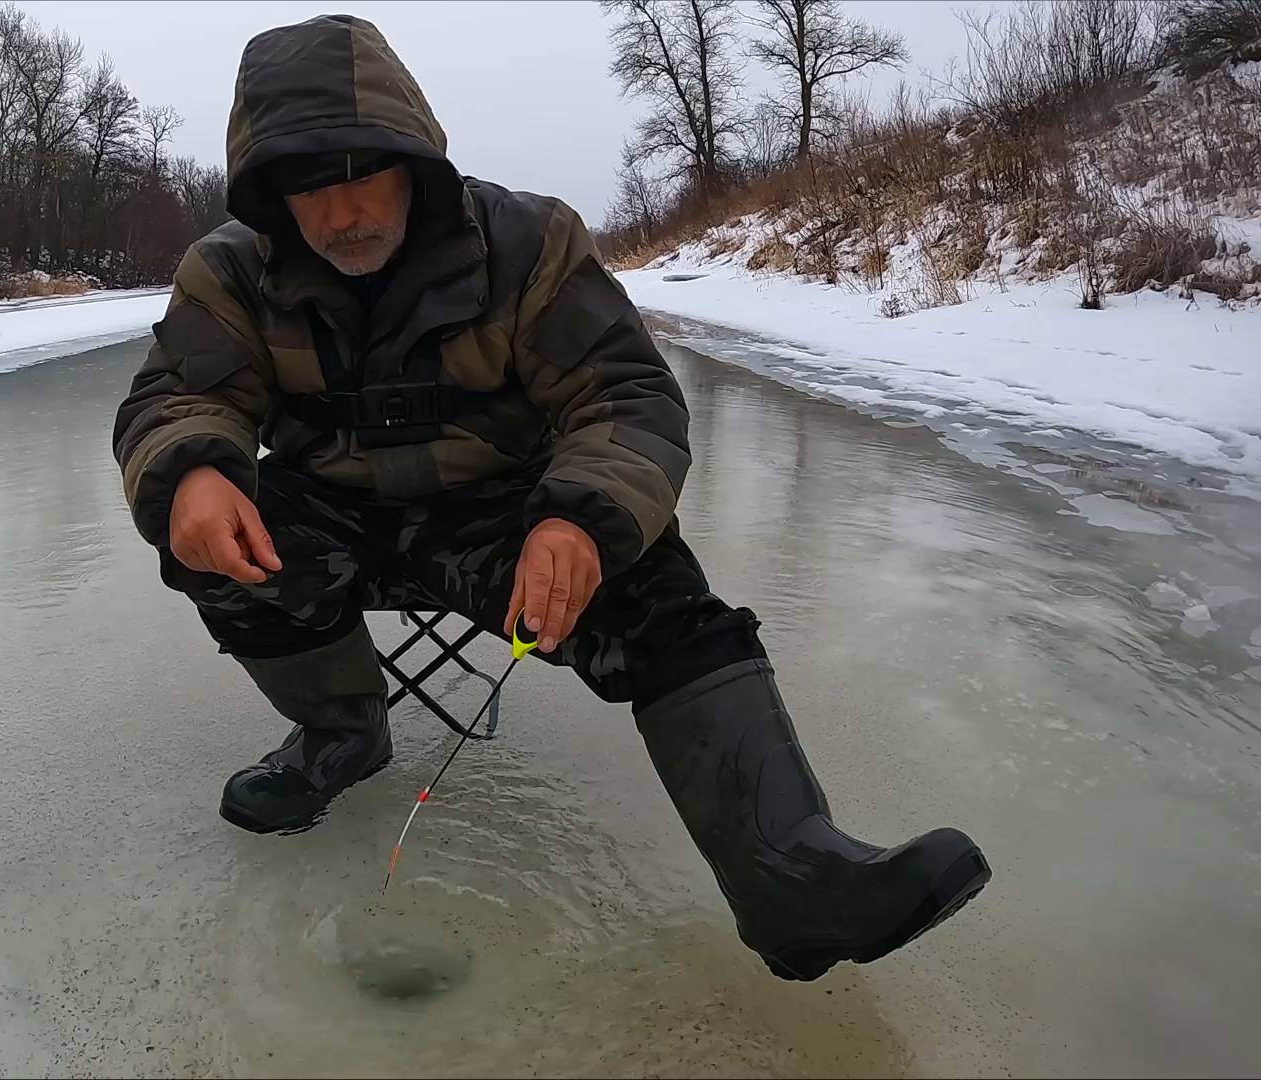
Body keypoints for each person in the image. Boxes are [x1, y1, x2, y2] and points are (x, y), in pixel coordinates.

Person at [110, 13, 989, 982]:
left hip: (504, 517)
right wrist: (191, 468)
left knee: (654, 579)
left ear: (416, 157)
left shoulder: (529, 242)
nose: (343, 208)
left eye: (366, 168)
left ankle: (789, 876)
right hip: (329, 518)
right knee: (209, 539)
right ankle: (341, 734)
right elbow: (181, 395)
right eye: (310, 183)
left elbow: (627, 393)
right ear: (271, 192)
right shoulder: (229, 270)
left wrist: (579, 516)